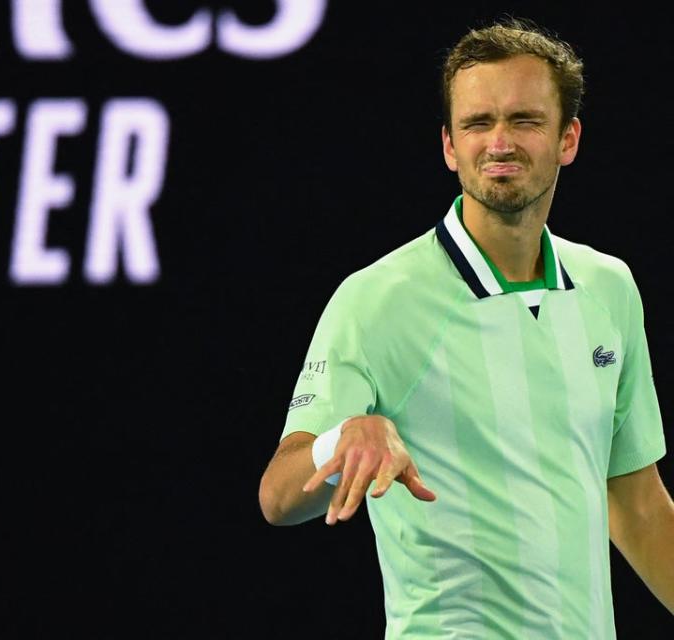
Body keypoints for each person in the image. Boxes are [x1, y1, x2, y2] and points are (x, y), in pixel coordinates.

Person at [258, 18, 673, 638]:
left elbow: (637, 504)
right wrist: (342, 438)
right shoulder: (374, 300)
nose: (499, 143)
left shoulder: (609, 287)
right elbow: (279, 494)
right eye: (478, 124)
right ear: (450, 147)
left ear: (569, 139)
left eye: (525, 121)